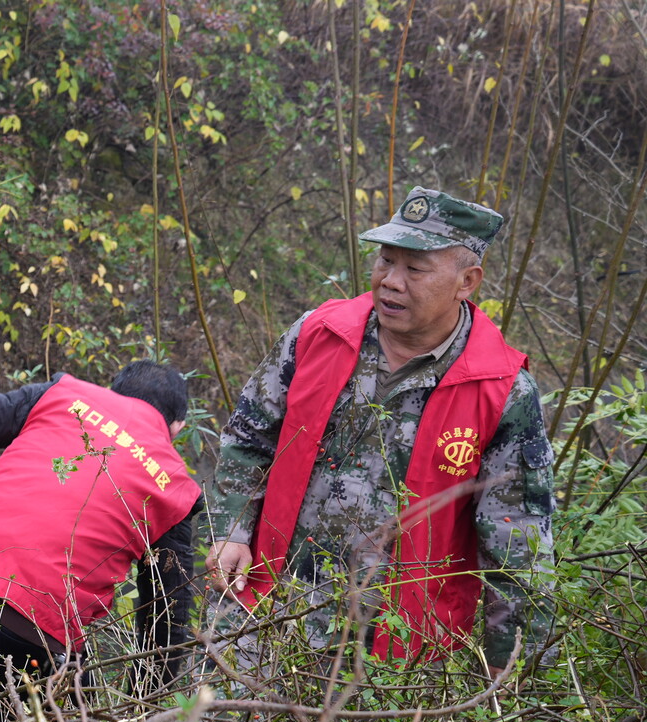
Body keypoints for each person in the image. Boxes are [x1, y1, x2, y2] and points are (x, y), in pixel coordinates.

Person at [206, 187, 554, 672]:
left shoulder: (500, 390)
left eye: (415, 269)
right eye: (386, 261)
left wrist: (507, 680)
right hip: (263, 611)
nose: (390, 281)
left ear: (467, 281)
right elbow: (248, 437)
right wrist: (231, 530)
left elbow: (517, 551)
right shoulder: (319, 334)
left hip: (397, 654)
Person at [0, 329, 204, 685]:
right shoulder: (173, 485)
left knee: (8, 707)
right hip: (32, 632)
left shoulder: (63, 394)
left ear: (110, 392)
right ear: (178, 427)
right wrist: (136, 717)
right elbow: (167, 623)